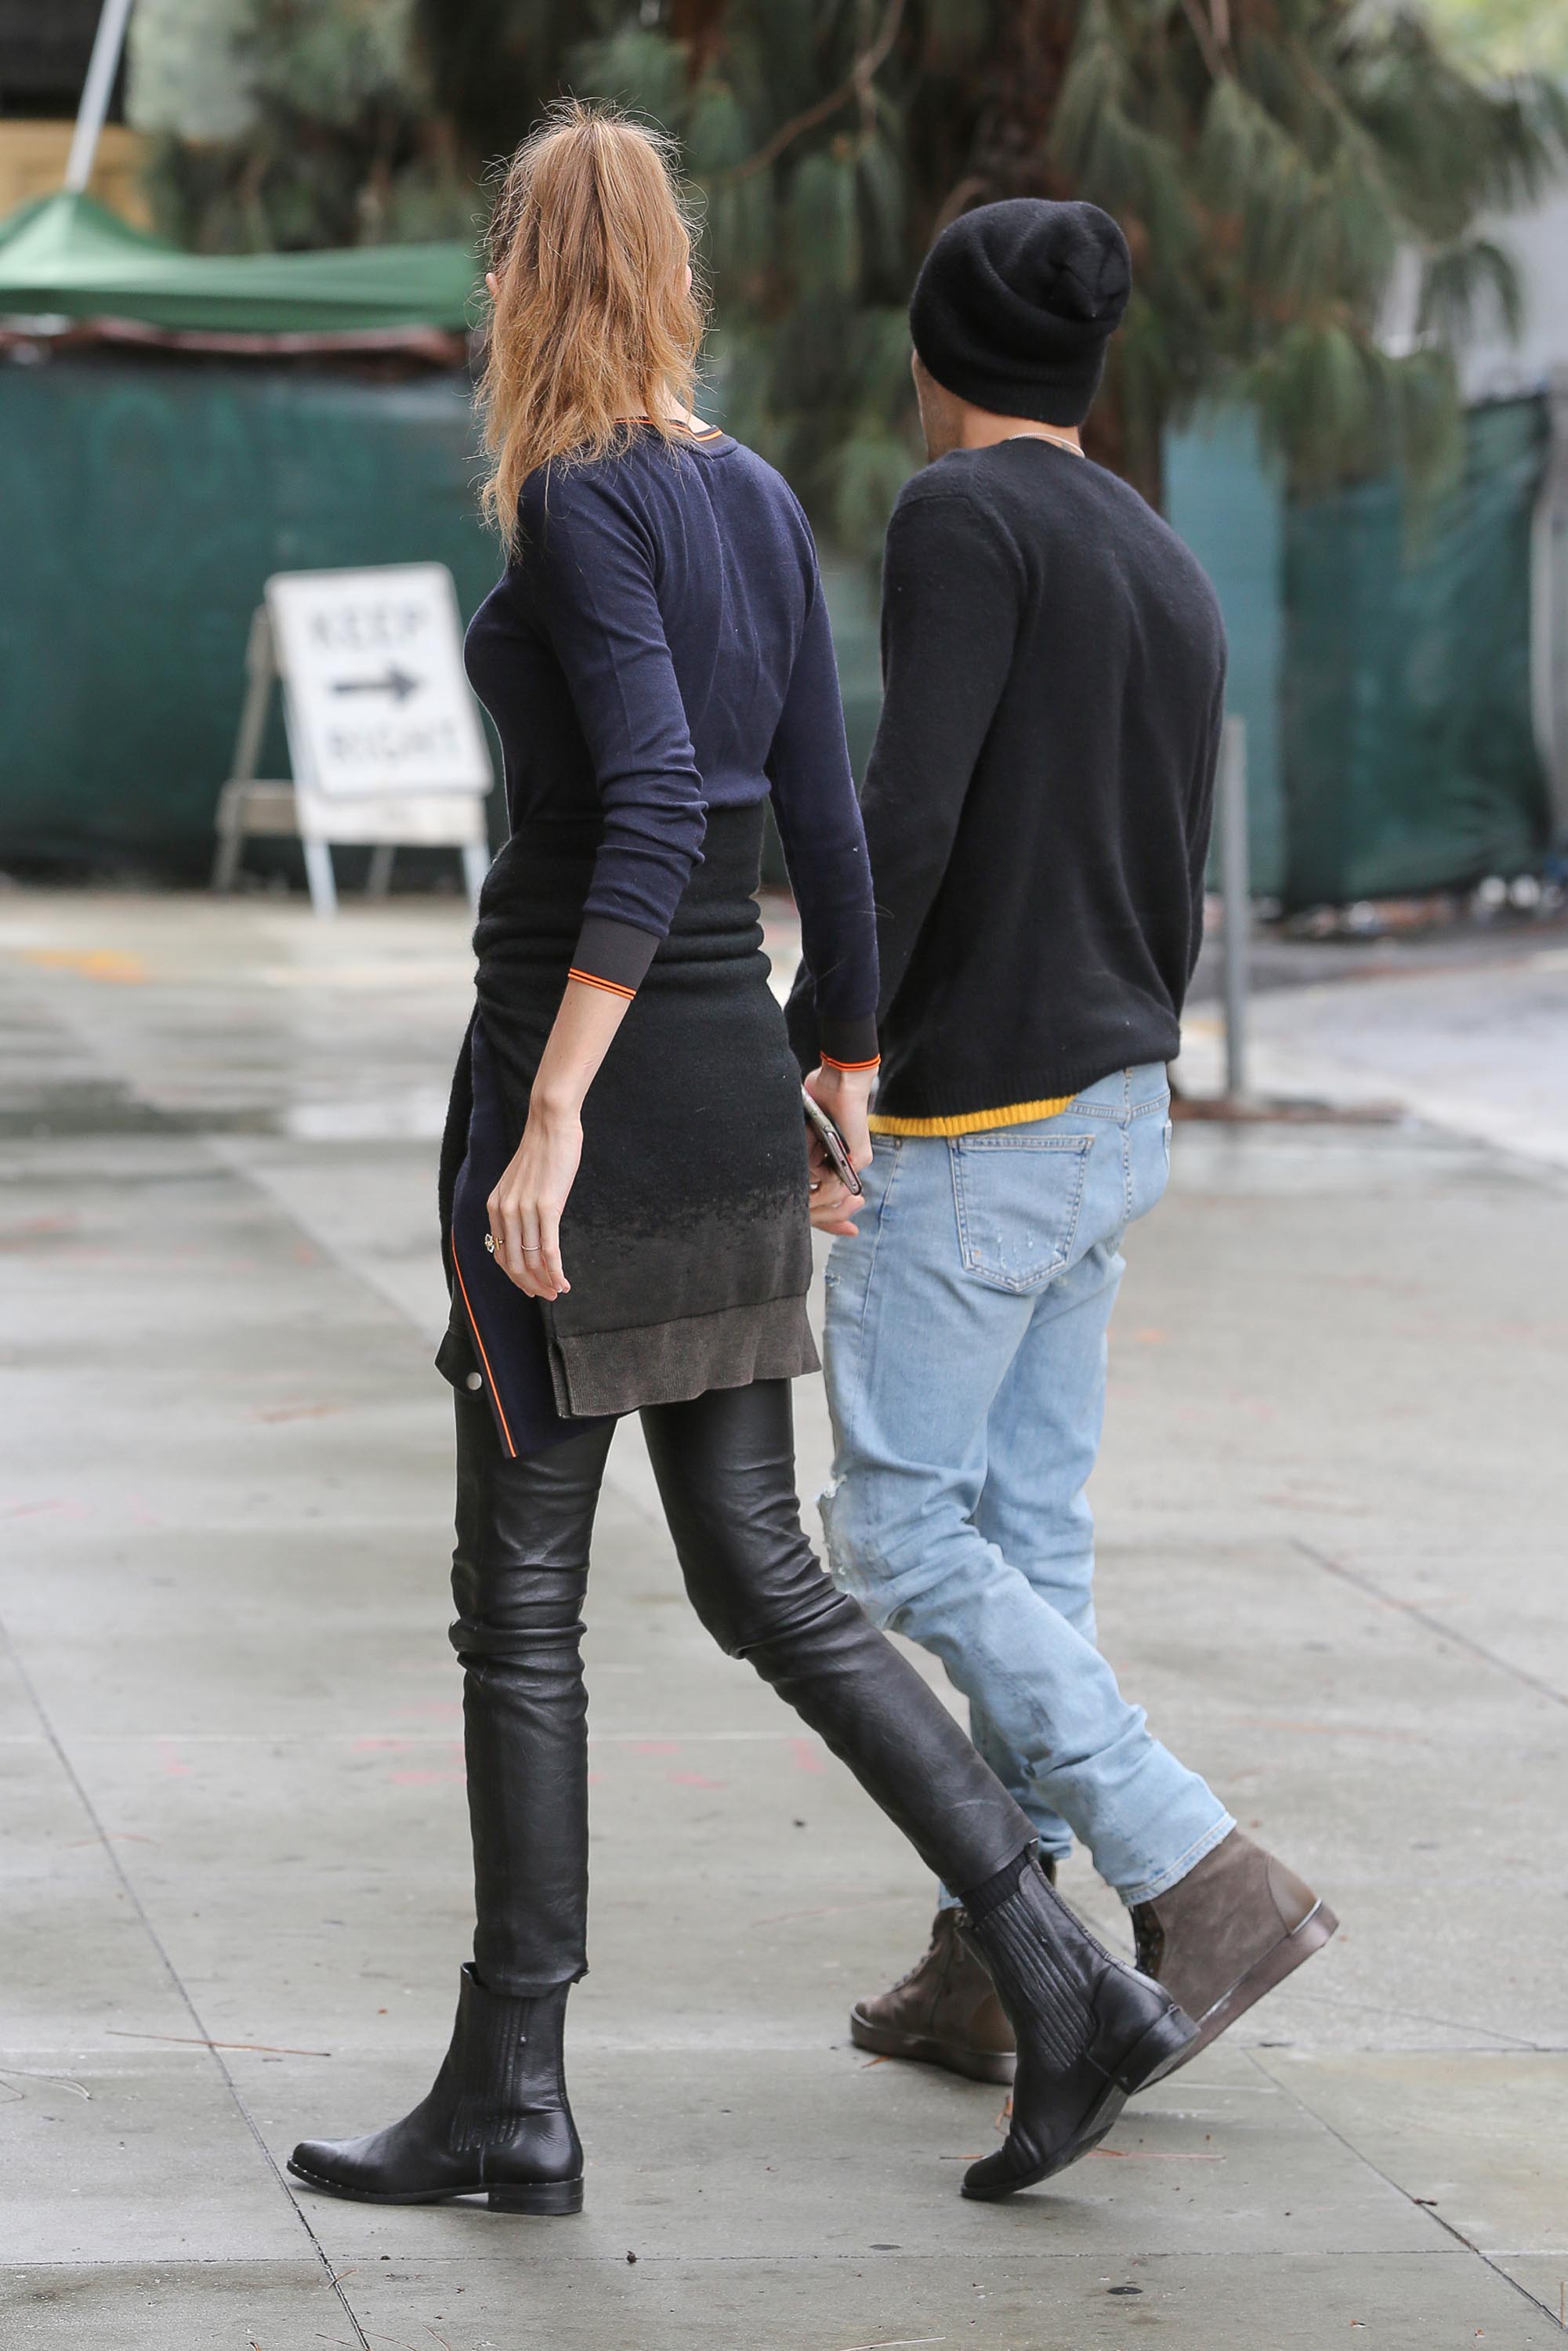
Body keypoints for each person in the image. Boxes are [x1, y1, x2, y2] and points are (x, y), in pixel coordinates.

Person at [287, 109, 1197, 2219]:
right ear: (670, 266)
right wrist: (843, 1058)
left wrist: (545, 1117)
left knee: (519, 1610)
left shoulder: (578, 500)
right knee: (762, 1575)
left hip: (593, 1086)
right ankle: (1059, 1979)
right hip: (720, 1075)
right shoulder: (760, 493)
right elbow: (821, 821)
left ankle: (515, 2088)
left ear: (529, 275)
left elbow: (659, 798)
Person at [790, 198, 1335, 2091]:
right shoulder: (1157, 554)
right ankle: (997, 1957)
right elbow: (1162, 859)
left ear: (934, 356)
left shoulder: (960, 518)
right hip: (1113, 1106)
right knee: (1023, 1542)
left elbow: (906, 814)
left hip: (974, 1125)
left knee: (895, 1531)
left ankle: (1189, 1861)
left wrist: (829, 1039)